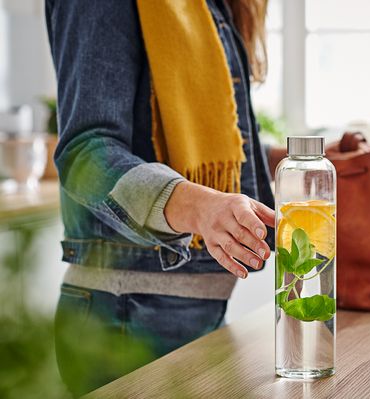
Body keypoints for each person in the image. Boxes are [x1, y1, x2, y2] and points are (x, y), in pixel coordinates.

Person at [45, 0, 278, 395]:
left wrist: (291, 162)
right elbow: (86, 152)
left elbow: (216, 139)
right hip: (125, 317)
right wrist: (199, 206)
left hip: (196, 315)